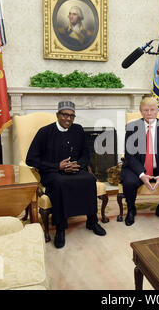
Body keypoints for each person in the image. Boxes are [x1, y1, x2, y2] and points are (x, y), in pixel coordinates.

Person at [26, 101, 106, 249]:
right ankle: (61, 228)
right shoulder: (44, 132)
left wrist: (79, 165)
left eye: (71, 116)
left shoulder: (78, 129)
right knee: (60, 183)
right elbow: (31, 159)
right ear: (57, 115)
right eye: (65, 115)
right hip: (52, 172)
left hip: (75, 170)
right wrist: (58, 166)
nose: (68, 119)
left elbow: (85, 153)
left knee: (88, 179)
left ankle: (92, 221)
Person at [120, 97, 159, 226]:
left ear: (157, 111)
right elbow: (129, 155)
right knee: (128, 182)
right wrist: (141, 175)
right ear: (140, 111)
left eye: (152, 110)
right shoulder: (132, 127)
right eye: (145, 110)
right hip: (137, 168)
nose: (149, 113)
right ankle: (131, 209)